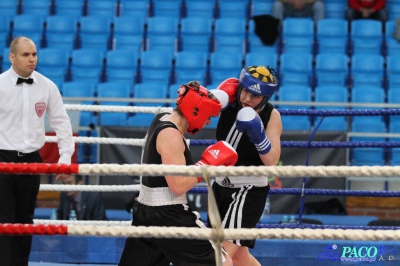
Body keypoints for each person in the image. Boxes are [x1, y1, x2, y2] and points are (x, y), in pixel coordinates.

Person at [118, 81, 238, 266]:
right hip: (169, 213)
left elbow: (192, 100)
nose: (207, 122)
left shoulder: (162, 117)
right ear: (196, 111)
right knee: (221, 262)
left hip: (146, 209)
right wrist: (207, 164)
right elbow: (178, 185)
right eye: (208, 116)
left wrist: (216, 96)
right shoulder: (171, 136)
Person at [0, 36, 75, 266]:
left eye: (34, 54)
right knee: (4, 221)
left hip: (32, 161)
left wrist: (64, 159)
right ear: (12, 57)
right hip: (2, 159)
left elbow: (62, 123)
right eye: (25, 55)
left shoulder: (47, 86)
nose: (32, 59)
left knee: (25, 220)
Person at [211, 65, 282, 266]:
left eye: (255, 96)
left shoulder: (271, 116)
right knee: (239, 257)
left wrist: (259, 137)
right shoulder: (229, 103)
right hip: (220, 188)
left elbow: (272, 162)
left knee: (219, 254)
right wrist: (214, 98)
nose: (247, 99)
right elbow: (197, 119)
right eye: (245, 91)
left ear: (265, 98)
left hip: (248, 190)